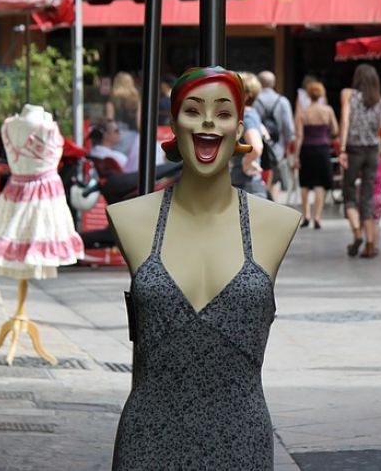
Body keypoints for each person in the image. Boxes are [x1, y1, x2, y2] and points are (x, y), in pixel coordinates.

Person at [107, 66, 300, 470]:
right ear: (174, 124)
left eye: (223, 112)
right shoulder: (131, 219)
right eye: (193, 110)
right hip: (148, 441)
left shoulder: (276, 223)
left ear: (239, 128)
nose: (209, 121)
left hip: (241, 440)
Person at [339, 63, 381, 258]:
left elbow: (345, 121)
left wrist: (341, 148)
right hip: (372, 150)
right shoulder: (378, 100)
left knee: (349, 193)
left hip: (354, 148)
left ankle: (357, 233)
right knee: (368, 196)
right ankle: (371, 244)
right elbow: (379, 128)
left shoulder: (348, 94)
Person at [295, 80, 338, 229]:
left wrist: (296, 156)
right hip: (322, 149)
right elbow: (335, 130)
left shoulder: (304, 112)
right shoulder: (328, 110)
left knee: (305, 183)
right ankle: (318, 216)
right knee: (320, 183)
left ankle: (306, 215)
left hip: (306, 149)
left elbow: (299, 135)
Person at [255, 70, 295, 200]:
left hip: (257, 144)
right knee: (275, 178)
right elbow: (288, 127)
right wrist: (289, 144)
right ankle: (273, 204)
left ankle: (261, 200)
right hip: (277, 147)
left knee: (259, 174)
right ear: (274, 83)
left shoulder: (254, 100)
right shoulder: (282, 101)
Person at [231, 72, 268, 198]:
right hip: (245, 183)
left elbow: (256, 147)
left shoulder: (247, 116)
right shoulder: (250, 113)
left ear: (246, 96)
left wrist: (246, 162)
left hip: (246, 185)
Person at [106, 71, 141, 156]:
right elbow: (139, 119)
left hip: (118, 134)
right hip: (133, 135)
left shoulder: (113, 97)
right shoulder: (136, 98)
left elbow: (109, 118)